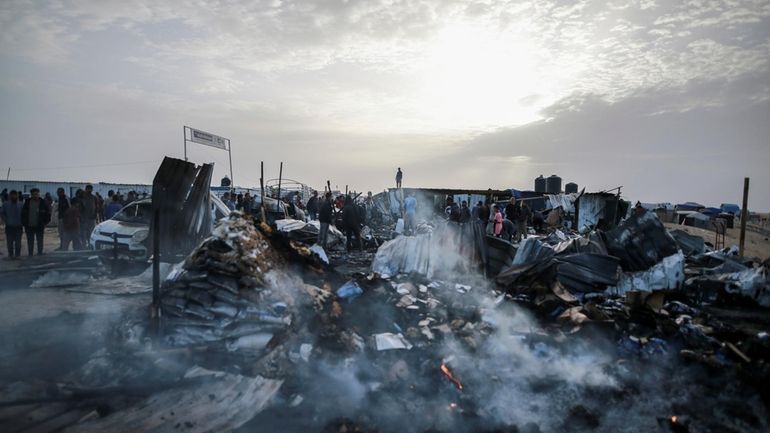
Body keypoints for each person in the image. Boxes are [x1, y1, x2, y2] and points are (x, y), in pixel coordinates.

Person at [21, 188, 51, 256]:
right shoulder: (27, 202)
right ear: (31, 195)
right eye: (33, 194)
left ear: (39, 194)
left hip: (39, 225)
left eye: (36, 194)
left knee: (40, 240)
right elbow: (23, 213)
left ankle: (40, 253)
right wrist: (24, 223)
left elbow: (48, 213)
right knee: (30, 241)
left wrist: (45, 222)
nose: (35, 196)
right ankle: (30, 254)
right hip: (29, 225)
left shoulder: (43, 202)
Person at [1, 190, 23, 259]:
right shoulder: (5, 204)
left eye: (15, 195)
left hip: (18, 226)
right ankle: (10, 255)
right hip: (9, 226)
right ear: (9, 196)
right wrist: (6, 220)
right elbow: (2, 213)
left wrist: (22, 221)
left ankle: (17, 255)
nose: (14, 196)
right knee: (9, 242)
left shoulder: (21, 204)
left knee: (18, 243)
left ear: (17, 196)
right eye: (12, 195)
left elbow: (24, 214)